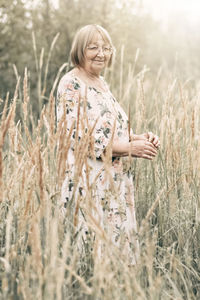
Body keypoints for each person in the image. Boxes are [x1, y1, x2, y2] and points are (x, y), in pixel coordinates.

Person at [56, 24, 160, 265]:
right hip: (88, 182)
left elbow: (114, 131)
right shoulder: (71, 84)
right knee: (90, 257)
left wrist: (141, 138)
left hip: (114, 182)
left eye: (106, 48)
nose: (101, 53)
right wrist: (128, 149)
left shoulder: (102, 85)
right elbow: (78, 137)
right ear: (80, 50)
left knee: (116, 259)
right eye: (93, 47)